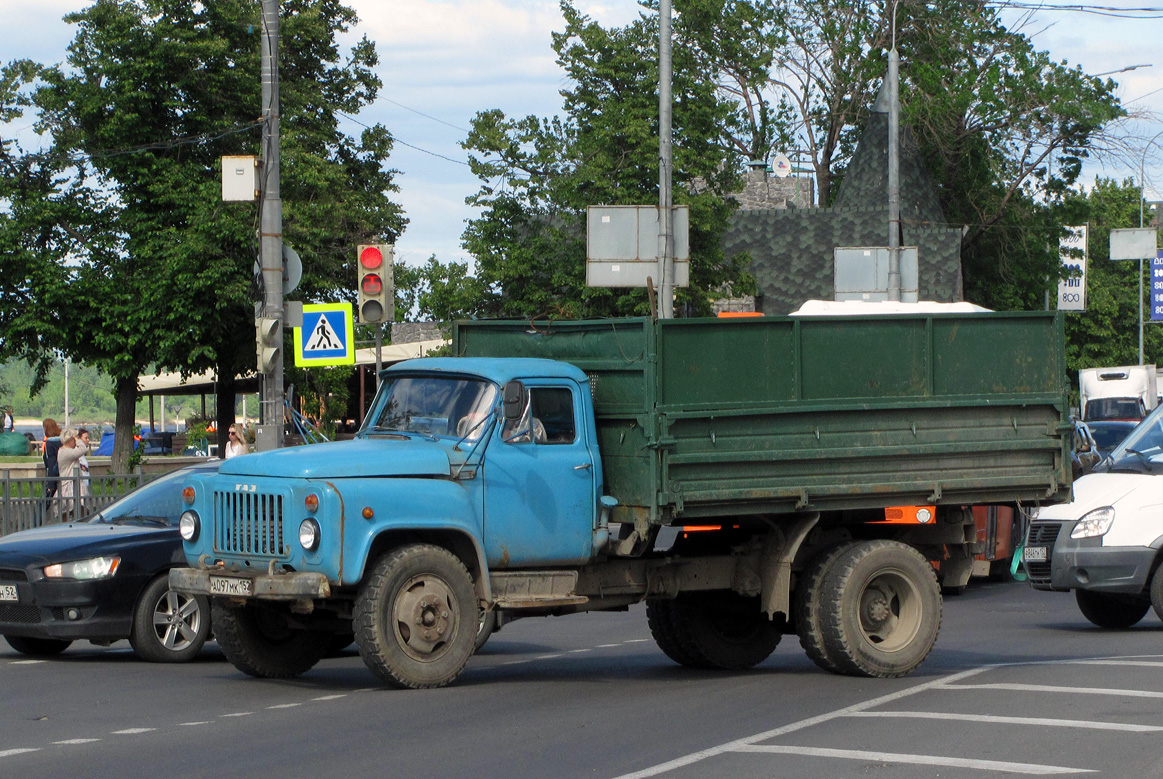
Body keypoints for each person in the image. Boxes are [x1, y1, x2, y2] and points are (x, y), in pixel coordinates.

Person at [56, 427, 90, 522]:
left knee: (80, 510)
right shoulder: (65, 452)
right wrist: (78, 439)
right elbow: (83, 449)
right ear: (70, 440)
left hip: (74, 484)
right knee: (72, 511)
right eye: (74, 439)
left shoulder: (66, 451)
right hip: (69, 484)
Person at [41, 419, 62, 516]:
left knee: (44, 504)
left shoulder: (50, 443)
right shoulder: (62, 441)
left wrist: (50, 483)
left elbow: (51, 463)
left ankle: (36, 523)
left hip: (53, 475)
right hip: (64, 474)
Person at [76, 428, 93, 502]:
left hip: (85, 484)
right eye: (85, 438)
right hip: (80, 486)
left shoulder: (82, 454)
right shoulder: (77, 452)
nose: (88, 440)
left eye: (88, 438)